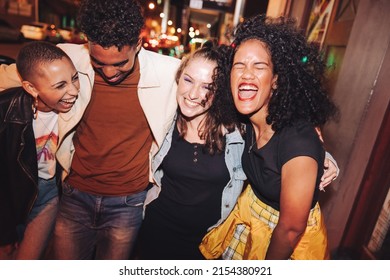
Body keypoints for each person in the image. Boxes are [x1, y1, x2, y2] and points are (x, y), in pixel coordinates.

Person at [0, 0, 180, 260]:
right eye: (98, 62)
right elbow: (8, 76)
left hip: (128, 202)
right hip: (75, 195)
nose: (109, 72)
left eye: (120, 64)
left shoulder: (169, 73)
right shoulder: (68, 58)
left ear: (138, 45)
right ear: (87, 43)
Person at [200, 15, 338, 260]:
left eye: (259, 66)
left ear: (275, 80)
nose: (246, 74)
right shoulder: (244, 121)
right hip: (249, 222)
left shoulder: (298, 141)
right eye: (239, 65)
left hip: (286, 245)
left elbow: (291, 229)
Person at [138, 43, 246, 260]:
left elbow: (276, 143)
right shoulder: (162, 120)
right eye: (188, 80)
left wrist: (321, 157)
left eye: (208, 87)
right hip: (156, 232)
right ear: (178, 78)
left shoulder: (237, 131)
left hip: (207, 244)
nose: (194, 94)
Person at [0, 41, 80, 259]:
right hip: (10, 195)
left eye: (74, 78)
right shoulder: (7, 111)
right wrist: (5, 234)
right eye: (60, 85)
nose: (73, 91)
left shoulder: (75, 108)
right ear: (31, 88)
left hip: (48, 195)